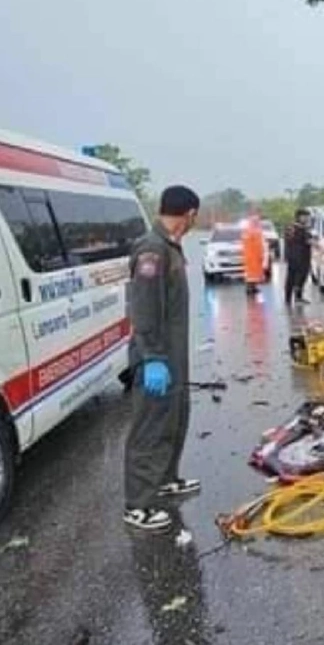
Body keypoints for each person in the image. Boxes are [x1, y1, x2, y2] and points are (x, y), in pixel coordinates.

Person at [124, 185, 201, 531]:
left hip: (174, 355)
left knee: (174, 418)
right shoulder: (152, 250)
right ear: (190, 214)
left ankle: (166, 479)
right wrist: (153, 357)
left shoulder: (170, 247)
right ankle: (138, 505)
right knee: (150, 428)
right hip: (156, 357)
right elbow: (143, 308)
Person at [283, 208, 312, 309]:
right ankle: (298, 297)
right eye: (305, 216)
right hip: (301, 256)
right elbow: (307, 241)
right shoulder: (300, 228)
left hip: (292, 256)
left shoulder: (290, 227)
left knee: (291, 277)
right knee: (300, 277)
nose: (307, 219)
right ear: (299, 217)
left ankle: (288, 299)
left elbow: (287, 240)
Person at [240, 217, 265, 295]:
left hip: (254, 255)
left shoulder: (253, 231)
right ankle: (249, 288)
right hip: (252, 255)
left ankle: (253, 287)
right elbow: (254, 244)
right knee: (251, 274)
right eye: (256, 222)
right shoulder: (250, 231)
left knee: (255, 274)